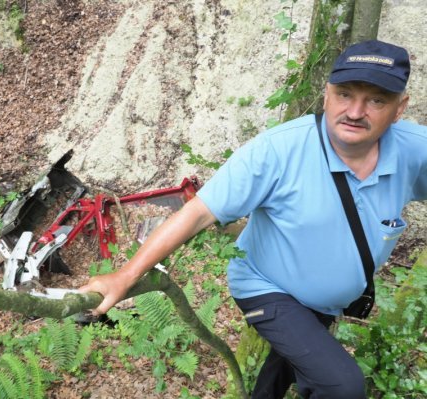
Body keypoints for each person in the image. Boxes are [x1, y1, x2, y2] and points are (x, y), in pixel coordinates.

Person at [79, 40, 427, 398]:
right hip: (266, 286)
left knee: (283, 373)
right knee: (342, 385)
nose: (354, 111)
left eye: (376, 100)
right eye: (345, 94)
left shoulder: (413, 150)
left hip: (323, 305)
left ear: (400, 108)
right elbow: (198, 213)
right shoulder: (278, 151)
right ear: (326, 95)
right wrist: (124, 276)